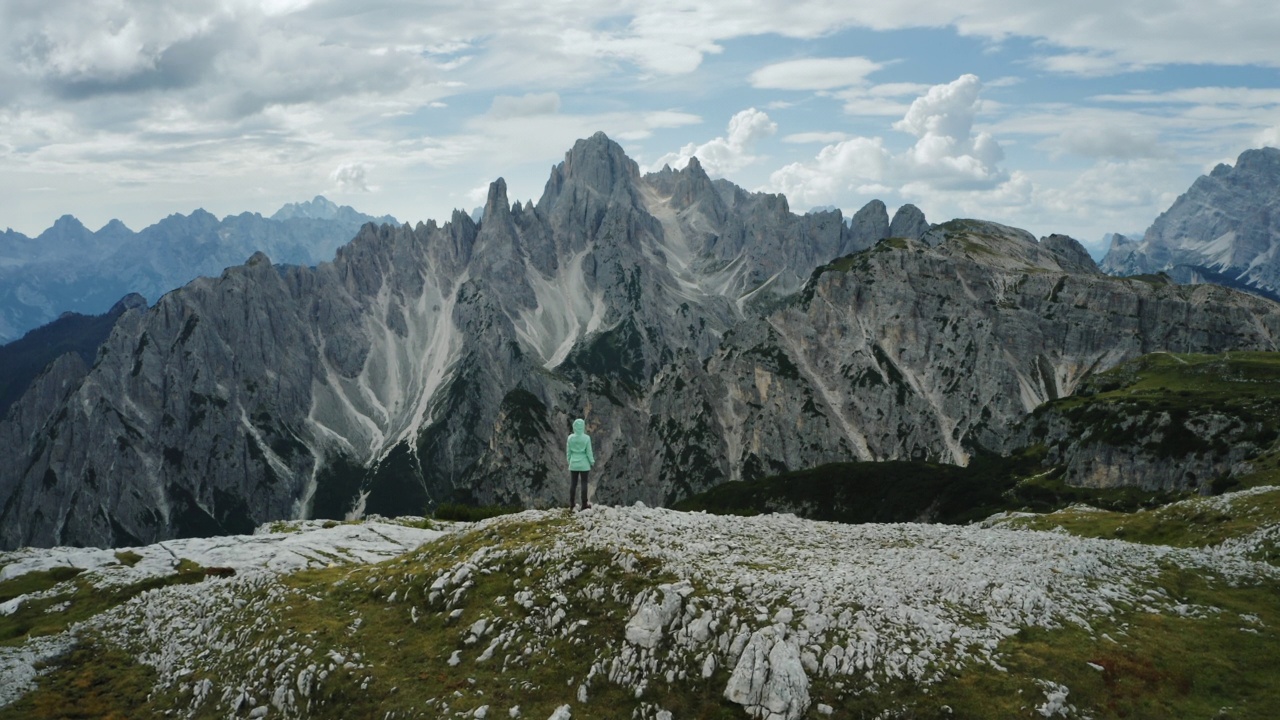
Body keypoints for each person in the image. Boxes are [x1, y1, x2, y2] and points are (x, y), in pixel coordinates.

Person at [566, 417, 594, 510]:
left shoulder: (570, 438)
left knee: (573, 483)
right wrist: (591, 461)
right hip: (584, 464)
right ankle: (584, 504)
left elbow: (568, 452)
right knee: (584, 483)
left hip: (573, 463)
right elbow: (589, 452)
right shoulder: (586, 438)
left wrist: (569, 461)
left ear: (574, 427)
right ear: (583, 427)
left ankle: (572, 503)